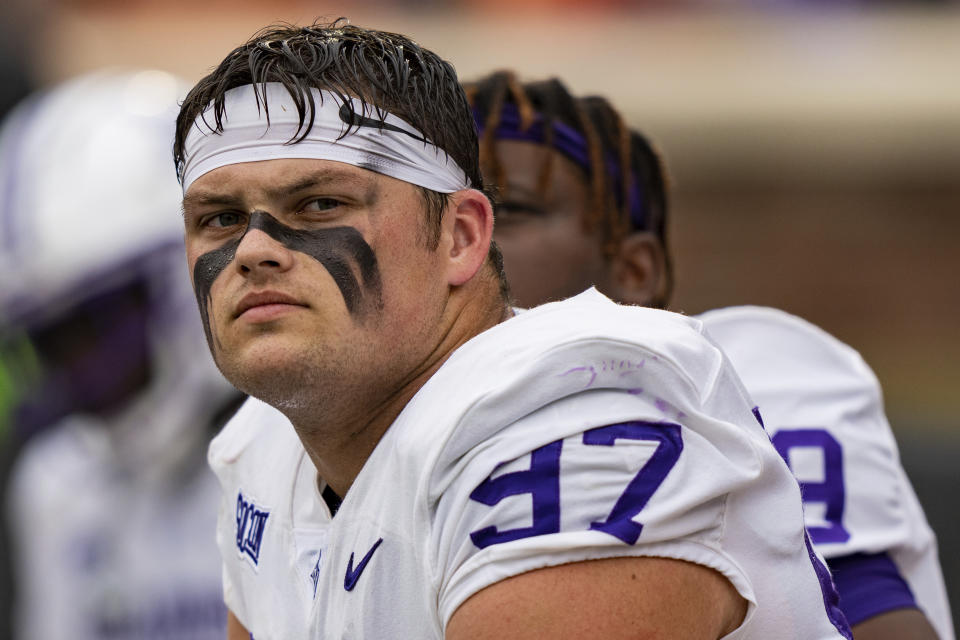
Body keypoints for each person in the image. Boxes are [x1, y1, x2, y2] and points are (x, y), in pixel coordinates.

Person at [176, 20, 852, 639]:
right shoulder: (265, 448)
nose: (252, 250)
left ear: (460, 237)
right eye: (220, 218)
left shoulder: (565, 421)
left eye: (320, 204)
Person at [463, 70, 954, 640]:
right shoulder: (364, 434)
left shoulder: (748, 380)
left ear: (633, 270)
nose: (466, 240)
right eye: (441, 211)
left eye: (509, 208)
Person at [0, 70, 243, 640]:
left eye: (95, 324)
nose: (80, 369)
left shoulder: (314, 455)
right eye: (50, 341)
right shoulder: (57, 486)